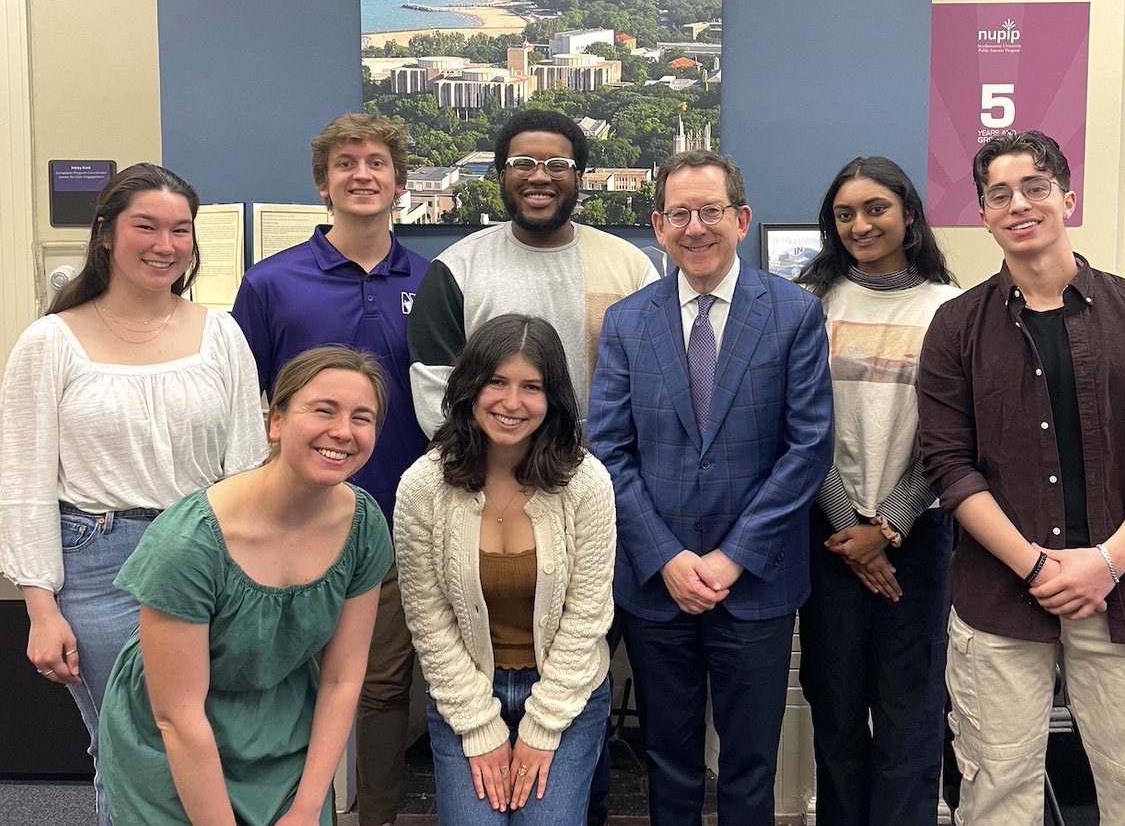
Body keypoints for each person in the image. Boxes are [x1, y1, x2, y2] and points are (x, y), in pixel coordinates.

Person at [917, 130, 1125, 825]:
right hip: (1000, 599)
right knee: (996, 796)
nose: (1019, 204)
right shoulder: (956, 326)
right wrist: (1039, 566)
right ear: (983, 215)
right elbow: (949, 467)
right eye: (999, 194)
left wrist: (1106, 561)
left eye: (1035, 187)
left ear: (1067, 198)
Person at [0, 163, 266, 826]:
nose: (165, 244)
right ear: (106, 235)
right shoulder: (49, 342)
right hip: (98, 565)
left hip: (208, 562)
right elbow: (23, 479)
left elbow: (248, 469)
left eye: (181, 229)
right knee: (134, 746)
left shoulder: (221, 334)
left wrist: (254, 580)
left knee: (213, 740)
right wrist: (39, 605)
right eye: (145, 226)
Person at [588, 149, 834, 826]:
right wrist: (666, 557)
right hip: (654, 583)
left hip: (753, 582)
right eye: (679, 214)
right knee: (666, 757)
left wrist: (729, 558)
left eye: (711, 211)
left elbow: (808, 448)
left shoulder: (793, 314)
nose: (696, 227)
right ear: (658, 225)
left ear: (741, 218)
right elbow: (607, 450)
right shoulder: (627, 321)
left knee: (750, 764)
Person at [98, 345, 394, 825]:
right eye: (324, 410)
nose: (343, 431)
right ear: (276, 421)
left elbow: (342, 679)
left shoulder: (363, 526)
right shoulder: (190, 541)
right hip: (173, 732)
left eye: (363, 418)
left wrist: (305, 807)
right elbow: (179, 716)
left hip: (281, 722)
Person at [232, 113, 429, 826]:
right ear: (324, 183)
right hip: (288, 524)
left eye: (377, 162)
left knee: (379, 689)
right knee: (280, 680)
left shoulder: (434, 283)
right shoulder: (270, 283)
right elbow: (237, 404)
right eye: (346, 163)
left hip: (397, 523)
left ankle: (372, 815)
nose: (362, 174)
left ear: (400, 184)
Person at [396, 314, 615, 825]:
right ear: (469, 386)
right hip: (466, 689)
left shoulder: (587, 484)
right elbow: (428, 624)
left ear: (552, 398)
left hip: (568, 691)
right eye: (496, 381)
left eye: (531, 387)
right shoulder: (422, 487)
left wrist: (542, 727)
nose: (511, 403)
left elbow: (587, 618)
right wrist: (477, 727)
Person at [795, 156, 959, 825]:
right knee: (834, 707)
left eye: (875, 208)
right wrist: (852, 533)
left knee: (911, 712)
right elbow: (798, 425)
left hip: (919, 535)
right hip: (828, 530)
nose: (860, 224)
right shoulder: (810, 301)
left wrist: (889, 524)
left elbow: (954, 432)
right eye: (845, 213)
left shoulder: (950, 307)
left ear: (909, 213)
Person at [407, 108, 658, 438]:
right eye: (523, 164)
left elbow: (654, 386)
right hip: (488, 477)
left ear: (578, 178)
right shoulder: (455, 270)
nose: (539, 177)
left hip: (605, 475)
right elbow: (435, 395)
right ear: (501, 176)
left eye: (557, 166)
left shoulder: (631, 267)